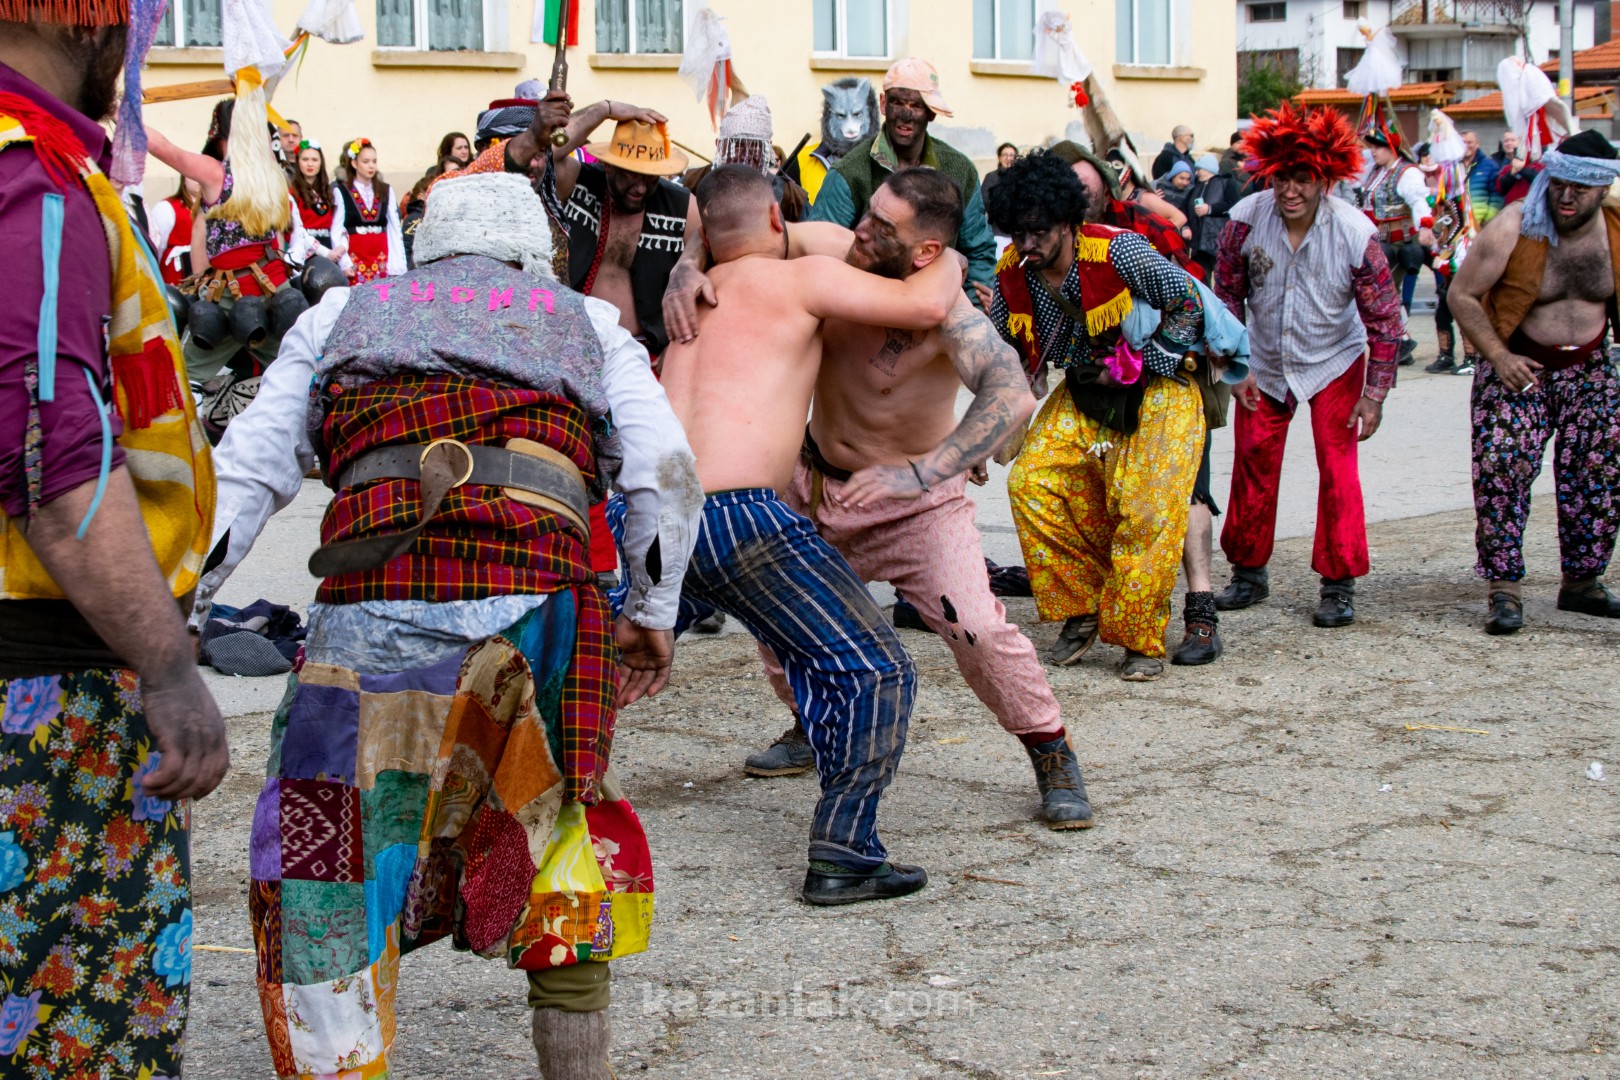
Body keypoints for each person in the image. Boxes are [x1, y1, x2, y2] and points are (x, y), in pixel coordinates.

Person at [196, 170, 701, 1078]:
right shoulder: (586, 321)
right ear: (536, 259)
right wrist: (651, 613)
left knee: (328, 861)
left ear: (421, 253)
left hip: (368, 614)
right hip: (540, 617)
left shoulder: (342, 314)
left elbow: (248, 470)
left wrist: (181, 612)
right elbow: (665, 469)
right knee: (559, 842)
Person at [0, 12, 229, 1076]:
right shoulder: (33, 177)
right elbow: (48, 459)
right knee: (79, 1043)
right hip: (43, 702)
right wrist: (167, 664)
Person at [723, 169, 1092, 830]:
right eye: (869, 213)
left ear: (926, 252)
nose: (862, 230)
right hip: (815, 484)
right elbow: (738, 231)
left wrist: (926, 471)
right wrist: (683, 272)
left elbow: (1012, 395)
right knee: (776, 619)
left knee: (977, 628)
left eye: (883, 227)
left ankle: (1050, 749)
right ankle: (810, 723)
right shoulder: (834, 251)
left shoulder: (950, 310)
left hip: (916, 506)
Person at [652, 164, 968, 902]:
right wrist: (946, 253)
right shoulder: (796, 280)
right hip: (735, 514)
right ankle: (844, 854)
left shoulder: (691, 298)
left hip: (647, 512)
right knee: (876, 671)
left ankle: (513, 809)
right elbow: (925, 303)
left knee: (598, 662)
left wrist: (686, 259)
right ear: (775, 221)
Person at [988, 152, 1207, 682]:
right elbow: (1003, 351)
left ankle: (1138, 637)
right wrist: (990, 427)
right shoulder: (1012, 270)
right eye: (1017, 233)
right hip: (1088, 388)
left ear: (1068, 222)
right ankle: (1083, 606)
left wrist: (1144, 363)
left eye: (1039, 232)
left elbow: (1190, 303)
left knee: (1147, 509)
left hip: (1162, 388)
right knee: (1031, 482)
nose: (1027, 244)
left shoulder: (1120, 250)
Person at [1213, 104, 1404, 630]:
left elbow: (1385, 319)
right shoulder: (1245, 220)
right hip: (1264, 360)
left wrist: (1375, 394)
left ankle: (1338, 584)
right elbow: (1225, 296)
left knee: (1337, 467)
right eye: (1282, 178)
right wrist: (1236, 366)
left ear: (1324, 180)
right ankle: (1248, 573)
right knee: (1253, 459)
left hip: (1333, 359)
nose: (1290, 190)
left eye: (1303, 179)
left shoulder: (1354, 232)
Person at [1446, 129, 1620, 634]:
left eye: (1579, 189)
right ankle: (1504, 589)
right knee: (1502, 468)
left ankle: (1582, 583)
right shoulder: (1515, 224)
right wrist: (1499, 357)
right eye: (1558, 183)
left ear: (1602, 188)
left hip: (1590, 367)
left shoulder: (1615, 229)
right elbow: (1461, 295)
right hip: (1518, 364)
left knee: (1598, 476)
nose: (1565, 196)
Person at [810, 58, 998, 297]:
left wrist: (969, 310)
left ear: (931, 113)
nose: (905, 115)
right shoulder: (849, 173)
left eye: (916, 105)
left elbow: (979, 253)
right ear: (883, 104)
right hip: (865, 304)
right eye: (897, 102)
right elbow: (819, 252)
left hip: (939, 307)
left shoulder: (960, 170)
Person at [1355, 129, 1432, 365]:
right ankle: (1402, 340)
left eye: (1378, 147)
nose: (1373, 152)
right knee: (1386, 291)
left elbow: (1418, 202)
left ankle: (1401, 340)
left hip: (1400, 242)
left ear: (1392, 149)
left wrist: (1426, 226)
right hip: (1380, 241)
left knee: (1385, 290)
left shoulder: (1407, 173)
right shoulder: (1377, 172)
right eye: (1372, 147)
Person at [679, 94, 810, 223]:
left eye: (754, 146)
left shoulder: (791, 197)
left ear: (768, 148)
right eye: (737, 145)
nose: (745, 156)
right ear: (719, 145)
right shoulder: (691, 183)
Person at [331, 136, 404, 283]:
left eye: (374, 161)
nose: (371, 166)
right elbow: (337, 229)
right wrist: (344, 262)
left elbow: (394, 228)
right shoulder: (342, 191)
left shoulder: (385, 190)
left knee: (382, 293)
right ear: (354, 163)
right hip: (355, 254)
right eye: (366, 162)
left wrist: (397, 264)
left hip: (382, 253)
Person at [287, 136, 342, 265]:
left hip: (330, 248)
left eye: (315, 160)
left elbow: (339, 224)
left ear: (321, 162)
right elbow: (295, 230)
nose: (310, 164)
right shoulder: (292, 193)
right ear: (298, 162)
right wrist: (324, 252)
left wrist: (341, 247)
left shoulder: (330, 192)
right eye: (305, 159)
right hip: (304, 251)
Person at [1187, 153, 1237, 277]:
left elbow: (1234, 206)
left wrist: (1210, 209)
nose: (1196, 173)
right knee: (1201, 280)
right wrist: (1185, 227)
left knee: (1223, 279)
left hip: (1218, 243)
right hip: (1198, 245)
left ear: (1207, 169)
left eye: (1199, 169)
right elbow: (1184, 209)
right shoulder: (1195, 188)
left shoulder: (1226, 183)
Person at [148, 172, 201, 284]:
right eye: (194, 173)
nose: (199, 177)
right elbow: (155, 249)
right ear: (184, 178)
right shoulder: (166, 208)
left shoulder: (217, 208)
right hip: (176, 281)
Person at [1459, 128, 1503, 228]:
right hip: (1457, 225)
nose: (1466, 145)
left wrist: (1487, 221)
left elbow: (1496, 196)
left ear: (1477, 144)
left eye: (1470, 142)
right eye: (1463, 142)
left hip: (1481, 226)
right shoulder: (1451, 167)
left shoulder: (1490, 165)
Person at [981, 141, 1018, 207]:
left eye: (1011, 155)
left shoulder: (1021, 176)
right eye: (1005, 155)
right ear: (999, 158)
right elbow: (983, 199)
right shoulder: (991, 176)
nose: (1008, 158)